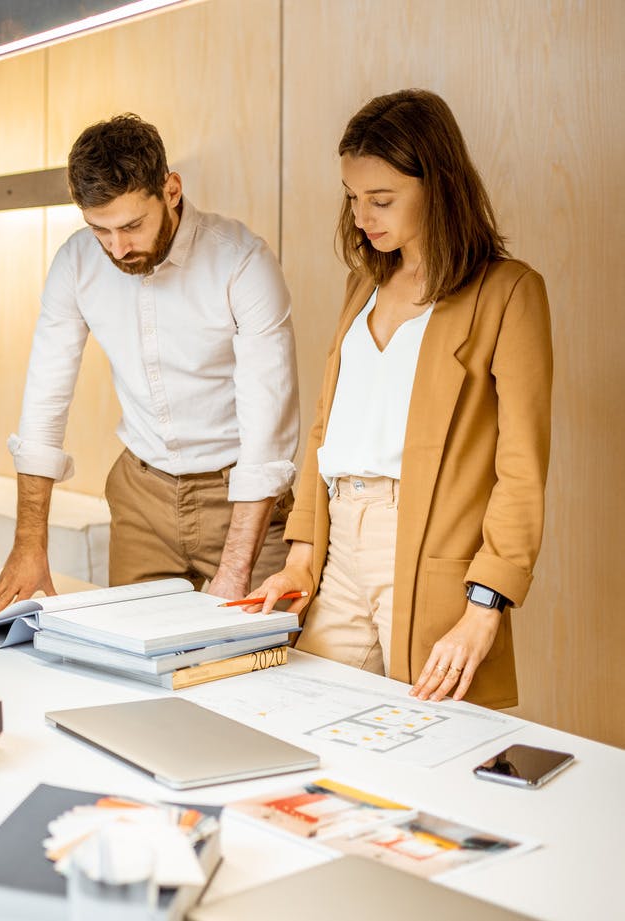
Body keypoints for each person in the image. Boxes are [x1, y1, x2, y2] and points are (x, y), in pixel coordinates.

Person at [251, 89, 552, 707]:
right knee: (309, 718)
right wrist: (302, 558)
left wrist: (486, 605)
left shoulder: (508, 292)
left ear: (438, 186)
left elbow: (520, 469)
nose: (363, 216)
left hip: (427, 546)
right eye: (353, 198)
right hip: (339, 544)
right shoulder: (362, 284)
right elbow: (324, 433)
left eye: (382, 199)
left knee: (425, 746)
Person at [0, 114, 299, 616]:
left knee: (258, 661)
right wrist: (29, 544)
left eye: (131, 225)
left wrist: (237, 568)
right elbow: (45, 400)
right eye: (100, 230)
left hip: (238, 498)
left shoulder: (242, 263)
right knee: (132, 664)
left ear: (170, 190)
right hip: (140, 498)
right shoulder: (77, 263)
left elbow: (269, 429)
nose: (118, 248)